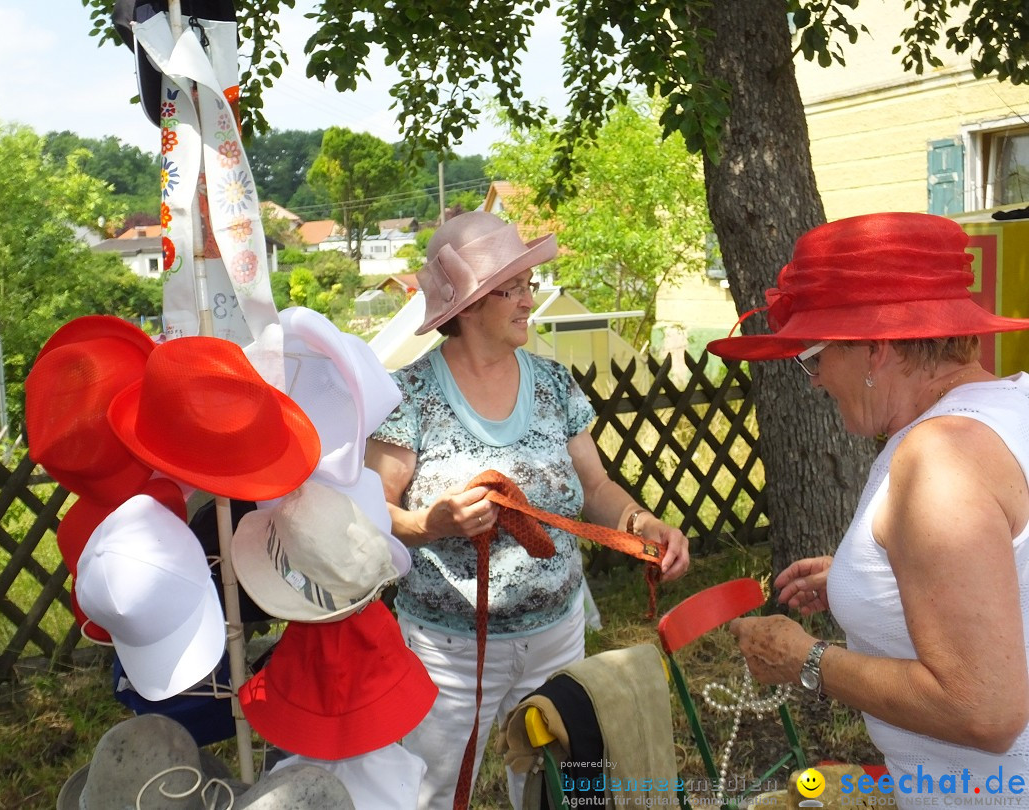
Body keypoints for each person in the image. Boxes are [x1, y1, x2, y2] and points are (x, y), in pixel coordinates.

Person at [366, 210, 689, 810]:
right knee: (431, 794)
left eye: (527, 283)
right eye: (512, 288)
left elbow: (595, 485)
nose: (528, 298)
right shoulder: (408, 396)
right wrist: (428, 524)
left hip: (558, 634)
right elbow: (374, 512)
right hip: (447, 653)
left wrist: (641, 523)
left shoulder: (553, 384)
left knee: (559, 791)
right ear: (466, 308)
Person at [707, 212, 1029, 798]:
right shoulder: (1014, 406)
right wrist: (873, 580)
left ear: (876, 349)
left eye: (815, 355)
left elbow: (983, 710)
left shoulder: (937, 461)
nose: (813, 379)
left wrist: (806, 659)